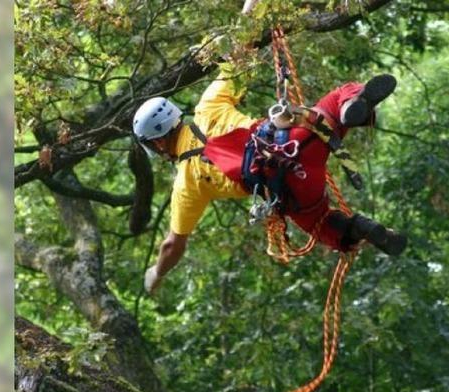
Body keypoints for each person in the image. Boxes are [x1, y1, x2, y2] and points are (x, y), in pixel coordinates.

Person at [135, 66, 407, 294]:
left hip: (290, 190)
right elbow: (239, 51)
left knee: (321, 224)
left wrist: (157, 273)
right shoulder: (208, 106)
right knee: (336, 100)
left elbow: (173, 245)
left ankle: (359, 228)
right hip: (295, 139)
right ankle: (350, 106)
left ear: (158, 142)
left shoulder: (187, 183)